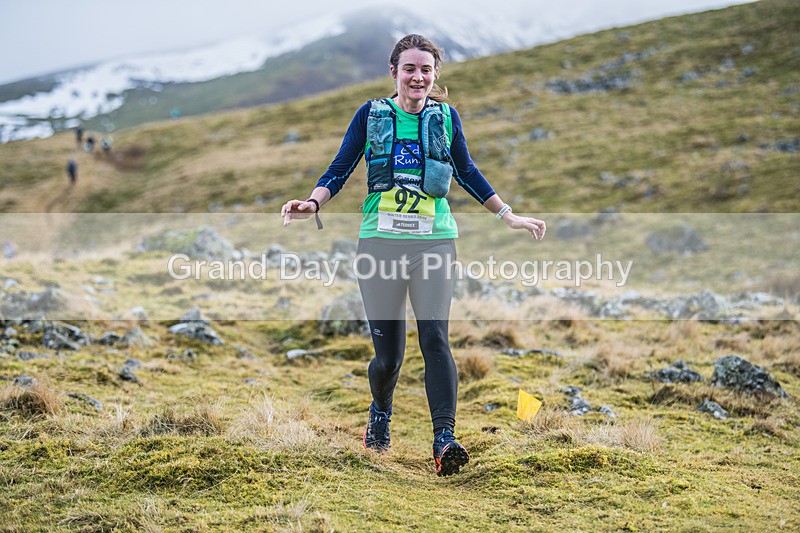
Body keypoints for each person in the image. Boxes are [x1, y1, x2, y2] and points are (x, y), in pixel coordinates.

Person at [281, 34, 546, 476]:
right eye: (410, 69)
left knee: (435, 338)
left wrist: (508, 215)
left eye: (426, 69)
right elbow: (340, 167)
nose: (418, 77)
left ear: (435, 74)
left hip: (434, 242)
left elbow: (466, 171)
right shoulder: (371, 115)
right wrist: (312, 203)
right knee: (389, 357)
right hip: (380, 244)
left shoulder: (446, 118)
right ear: (394, 72)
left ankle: (445, 440)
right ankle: (380, 413)